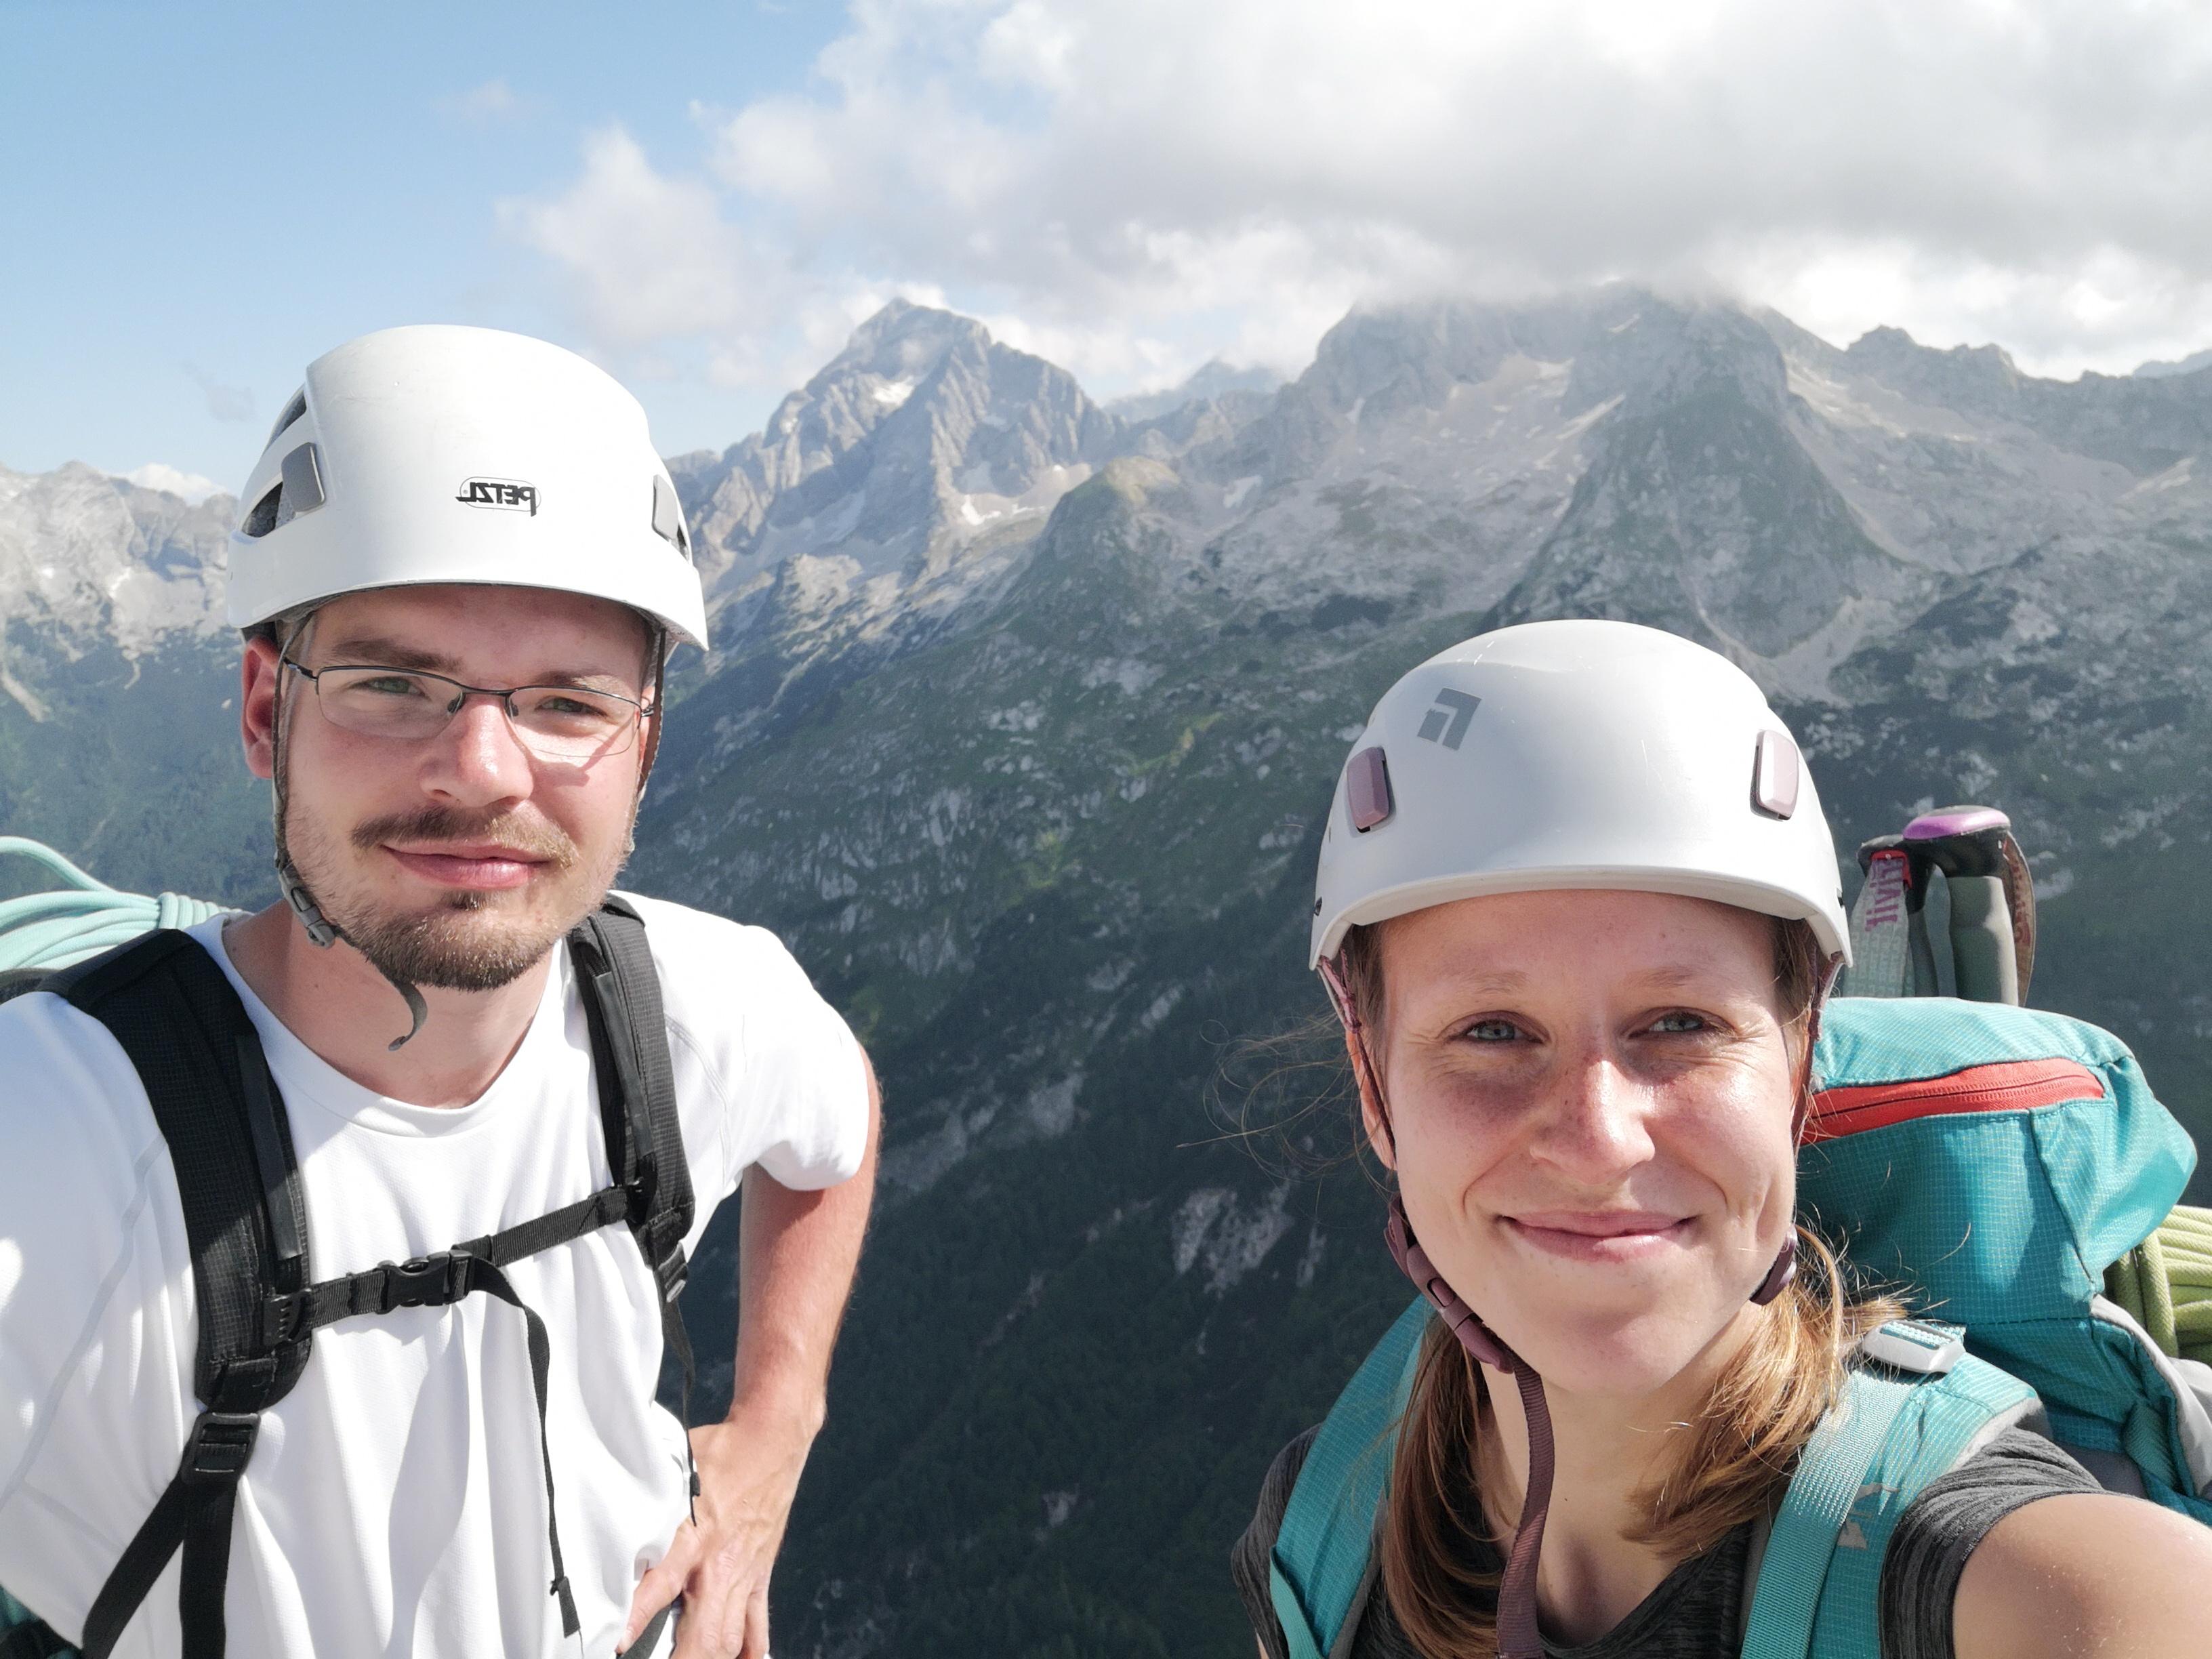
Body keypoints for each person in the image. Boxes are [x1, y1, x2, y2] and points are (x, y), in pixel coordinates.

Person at [0, 325, 879, 1658]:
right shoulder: (54, 1146)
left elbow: (834, 1114)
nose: (481, 770)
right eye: (394, 683)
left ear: (645, 744)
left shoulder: (692, 1004)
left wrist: (776, 1431)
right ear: (264, 711)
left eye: (567, 703)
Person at [1232, 620, 2212, 1658]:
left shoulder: (2025, 1584)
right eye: (1492, 1032)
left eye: (1680, 1023)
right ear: (1372, 1082)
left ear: (1799, 1064)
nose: (1600, 1143)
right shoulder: (1323, 1536)